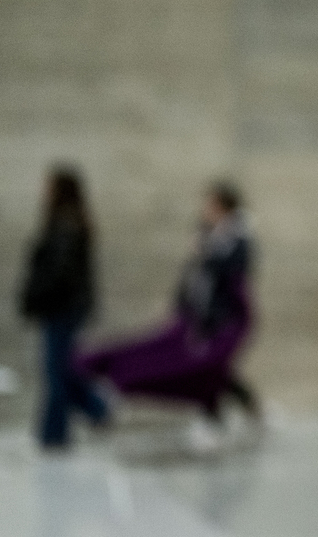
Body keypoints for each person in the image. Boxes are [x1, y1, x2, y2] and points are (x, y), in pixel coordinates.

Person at [78, 182, 260, 426]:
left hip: (224, 319)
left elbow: (232, 275)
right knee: (212, 370)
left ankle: (225, 413)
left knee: (210, 367)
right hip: (199, 316)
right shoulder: (209, 235)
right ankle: (229, 412)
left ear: (222, 207)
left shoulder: (236, 239)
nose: (205, 210)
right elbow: (193, 277)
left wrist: (206, 252)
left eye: (210, 204)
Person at [19, 165, 110, 449]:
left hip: (62, 308)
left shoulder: (67, 225)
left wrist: (39, 298)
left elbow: (60, 273)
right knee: (59, 369)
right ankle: (89, 412)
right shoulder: (66, 222)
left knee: (57, 370)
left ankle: (56, 432)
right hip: (63, 307)